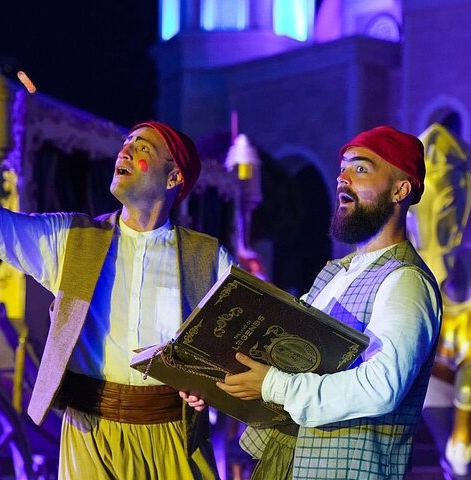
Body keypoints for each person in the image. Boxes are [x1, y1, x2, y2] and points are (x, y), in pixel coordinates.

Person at [0, 121, 235, 479]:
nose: (125, 151)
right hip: (89, 434)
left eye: (143, 148)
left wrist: (208, 383)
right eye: (126, 143)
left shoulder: (208, 259)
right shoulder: (74, 239)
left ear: (173, 177)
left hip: (173, 434)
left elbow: (240, 340)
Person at [186, 126, 443, 479]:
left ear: (401, 190)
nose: (342, 178)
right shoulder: (335, 274)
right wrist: (210, 381)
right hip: (288, 463)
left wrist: (273, 385)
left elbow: (380, 387)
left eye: (361, 169)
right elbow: (276, 358)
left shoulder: (406, 281)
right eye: (342, 168)